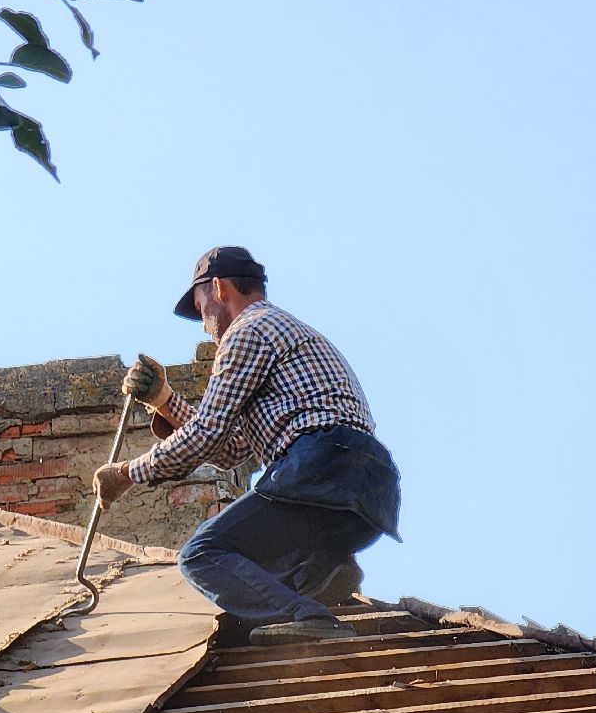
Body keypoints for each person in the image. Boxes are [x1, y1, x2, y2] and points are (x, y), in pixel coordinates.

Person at [92, 246, 400, 646]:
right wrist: (165, 400)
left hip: (317, 468)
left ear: (219, 289)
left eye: (202, 310)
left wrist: (127, 473)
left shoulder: (247, 331)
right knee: (256, 581)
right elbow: (231, 450)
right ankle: (323, 571)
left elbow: (206, 432)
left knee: (203, 555)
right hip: (366, 491)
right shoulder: (284, 329)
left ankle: (307, 612)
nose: (204, 326)